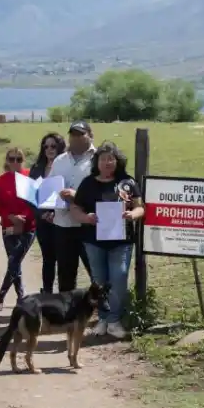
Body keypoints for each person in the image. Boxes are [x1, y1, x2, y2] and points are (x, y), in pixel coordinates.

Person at [72, 141, 145, 339]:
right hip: (93, 241)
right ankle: (103, 320)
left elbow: (140, 207)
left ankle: (114, 320)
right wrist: (86, 218)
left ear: (117, 161)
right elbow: (75, 208)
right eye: (103, 159)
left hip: (121, 242)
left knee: (119, 278)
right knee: (99, 282)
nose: (107, 163)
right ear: (97, 162)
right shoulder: (88, 183)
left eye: (111, 159)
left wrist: (132, 215)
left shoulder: (127, 183)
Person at [50, 121, 96, 292]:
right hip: (64, 225)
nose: (76, 138)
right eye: (73, 134)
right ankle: (67, 308)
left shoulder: (99, 159)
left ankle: (103, 307)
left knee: (96, 273)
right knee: (65, 275)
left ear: (90, 136)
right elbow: (51, 187)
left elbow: (104, 190)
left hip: (90, 224)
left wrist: (77, 196)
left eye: (80, 134)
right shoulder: (59, 160)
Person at [0, 147, 36, 311]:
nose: (15, 162)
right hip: (8, 226)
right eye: (12, 159)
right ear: (7, 161)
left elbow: (35, 202)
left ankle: (0, 297)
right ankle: (21, 297)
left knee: (14, 261)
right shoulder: (2, 180)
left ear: (23, 161)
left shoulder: (30, 177)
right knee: (14, 262)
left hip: (28, 227)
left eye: (19, 159)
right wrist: (10, 217)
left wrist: (23, 218)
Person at [28, 132, 67, 293]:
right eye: (46, 146)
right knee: (48, 259)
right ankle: (47, 293)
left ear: (60, 147)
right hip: (43, 221)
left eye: (53, 146)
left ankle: (64, 295)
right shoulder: (37, 168)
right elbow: (31, 196)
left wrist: (55, 213)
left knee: (64, 259)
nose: (49, 149)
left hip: (63, 219)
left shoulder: (66, 167)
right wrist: (41, 214)